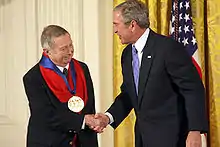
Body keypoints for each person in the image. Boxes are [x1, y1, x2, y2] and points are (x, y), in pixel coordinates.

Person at [94, 1, 208, 147]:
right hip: (143, 138)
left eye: (116, 24)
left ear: (132, 25)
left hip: (172, 138)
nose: (115, 30)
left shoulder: (167, 49)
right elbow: (130, 94)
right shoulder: (127, 54)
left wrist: (195, 130)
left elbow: (192, 89)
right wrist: (108, 117)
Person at [23, 25, 99, 147]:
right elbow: (46, 116)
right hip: (50, 142)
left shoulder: (82, 68)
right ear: (47, 51)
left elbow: (89, 107)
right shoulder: (33, 78)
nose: (70, 51)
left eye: (70, 45)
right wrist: (84, 121)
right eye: (63, 49)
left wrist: (95, 123)